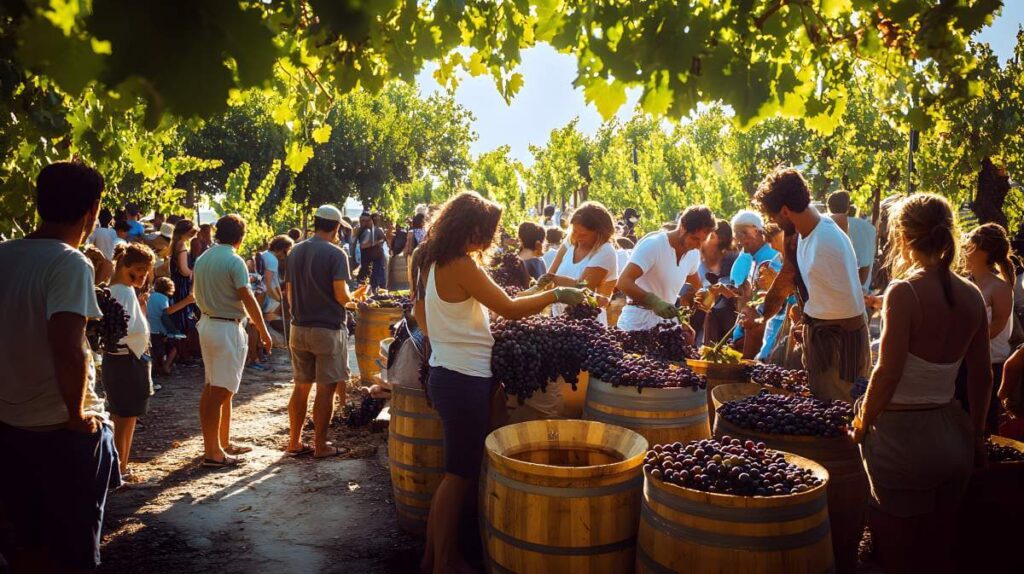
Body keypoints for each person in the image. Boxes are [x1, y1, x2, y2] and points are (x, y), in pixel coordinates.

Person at [412, 192, 585, 574]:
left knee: (455, 474)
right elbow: (507, 309)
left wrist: (444, 340)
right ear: (465, 226)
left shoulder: (429, 259)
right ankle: (445, 563)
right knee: (458, 476)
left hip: (451, 373)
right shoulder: (460, 264)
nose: (486, 241)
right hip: (462, 380)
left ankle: (432, 558)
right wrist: (555, 293)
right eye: (483, 233)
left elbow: (419, 310)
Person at [849, 193, 990, 573]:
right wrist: (976, 437)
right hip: (952, 436)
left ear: (904, 237)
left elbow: (888, 372)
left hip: (902, 443)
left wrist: (863, 421)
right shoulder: (972, 294)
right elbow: (982, 374)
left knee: (894, 555)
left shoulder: (905, 291)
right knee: (938, 553)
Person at [0, 161, 120, 572]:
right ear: (92, 210)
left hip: (8, 424)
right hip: (57, 430)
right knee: (72, 554)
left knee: (27, 545)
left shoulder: (4, 254)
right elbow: (68, 346)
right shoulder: (68, 262)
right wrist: (77, 415)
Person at [754, 168, 868, 402]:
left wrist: (806, 325)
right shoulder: (805, 233)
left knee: (839, 419)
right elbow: (790, 274)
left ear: (785, 211)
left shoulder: (824, 243)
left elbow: (844, 315)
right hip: (825, 345)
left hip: (841, 355)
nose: (774, 223)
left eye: (774, 217)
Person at [193, 214, 273, 468]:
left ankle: (220, 443)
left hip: (208, 323)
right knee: (221, 390)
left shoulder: (203, 258)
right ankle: (213, 452)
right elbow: (248, 299)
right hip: (225, 327)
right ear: (240, 237)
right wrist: (263, 330)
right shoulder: (233, 260)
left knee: (215, 388)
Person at [284, 206, 364, 458]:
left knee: (300, 387)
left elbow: (289, 293)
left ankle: (294, 442)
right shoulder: (336, 253)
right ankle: (320, 446)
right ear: (336, 227)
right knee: (326, 389)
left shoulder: (295, 250)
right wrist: (355, 300)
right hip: (327, 330)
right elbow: (341, 295)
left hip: (298, 328)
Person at [616, 206, 715, 334]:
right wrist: (653, 301)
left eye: (703, 241)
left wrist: (684, 321)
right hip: (635, 324)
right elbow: (623, 282)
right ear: (683, 227)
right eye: (695, 239)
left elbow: (697, 287)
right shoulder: (654, 245)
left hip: (666, 327)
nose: (698, 245)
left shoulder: (693, 253)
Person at [103, 243, 156, 480]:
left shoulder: (118, 289)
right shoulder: (122, 291)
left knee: (125, 415)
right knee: (125, 416)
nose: (143, 276)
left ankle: (121, 465)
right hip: (128, 359)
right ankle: (120, 468)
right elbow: (129, 329)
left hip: (122, 359)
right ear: (124, 265)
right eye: (139, 270)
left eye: (146, 271)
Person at [962, 223, 1016, 432]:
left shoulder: (999, 287)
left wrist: (965, 344)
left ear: (980, 249)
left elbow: (998, 325)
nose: (964, 249)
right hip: (964, 361)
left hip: (990, 365)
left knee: (984, 426)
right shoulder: (964, 282)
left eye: (969, 244)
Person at [546, 202, 619, 323]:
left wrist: (556, 280)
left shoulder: (605, 251)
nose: (578, 237)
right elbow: (549, 277)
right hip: (559, 321)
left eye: (583, 234)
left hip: (587, 326)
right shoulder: (570, 242)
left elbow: (583, 288)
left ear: (599, 232)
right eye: (574, 231)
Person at [691, 219, 738, 346]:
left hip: (726, 327)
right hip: (699, 322)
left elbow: (740, 296)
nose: (704, 239)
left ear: (721, 240)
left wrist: (723, 291)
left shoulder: (733, 261)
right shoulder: (694, 257)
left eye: (710, 236)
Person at [828, 190, 877, 292]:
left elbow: (863, 271)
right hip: (863, 294)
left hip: (844, 295)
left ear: (829, 208)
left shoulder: (826, 227)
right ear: (848, 208)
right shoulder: (869, 228)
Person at [148, 276, 194, 376]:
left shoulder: (150, 296)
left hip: (149, 329)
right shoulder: (163, 298)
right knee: (176, 345)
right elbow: (165, 316)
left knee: (153, 351)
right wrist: (173, 330)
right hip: (159, 330)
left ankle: (155, 369)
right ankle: (166, 366)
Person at [169, 220, 199, 339]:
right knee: (183, 314)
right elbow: (184, 270)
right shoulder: (182, 245)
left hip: (176, 281)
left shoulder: (175, 244)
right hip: (182, 284)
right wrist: (194, 272)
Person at [261, 234, 294, 317]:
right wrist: (281, 301)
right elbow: (268, 287)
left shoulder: (264, 255)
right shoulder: (273, 260)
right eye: (287, 252)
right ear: (282, 249)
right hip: (267, 302)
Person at [356, 211, 387, 291]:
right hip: (365, 261)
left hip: (377, 260)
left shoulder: (377, 230)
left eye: (367, 221)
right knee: (364, 283)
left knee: (378, 282)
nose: (365, 223)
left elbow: (384, 240)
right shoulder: (359, 230)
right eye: (362, 221)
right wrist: (376, 242)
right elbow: (362, 246)